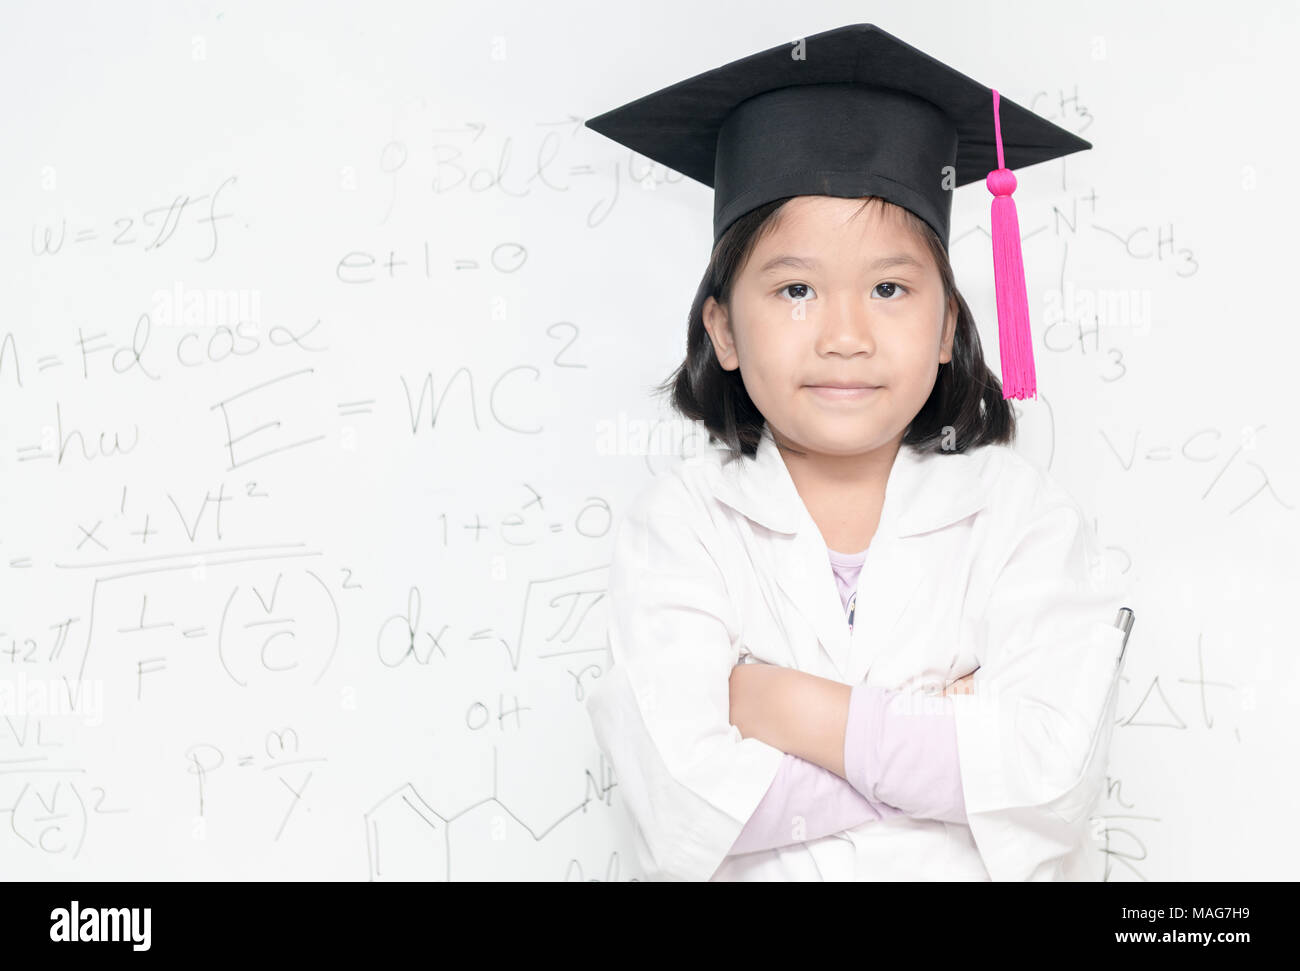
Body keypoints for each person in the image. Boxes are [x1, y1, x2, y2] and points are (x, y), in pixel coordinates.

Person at [583, 23, 1128, 881]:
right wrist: (933, 744)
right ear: (721, 327)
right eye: (795, 289)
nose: (845, 335)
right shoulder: (680, 526)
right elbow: (685, 804)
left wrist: (793, 709)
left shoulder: (1022, 516)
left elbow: (1050, 780)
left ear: (948, 324)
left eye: (889, 288)